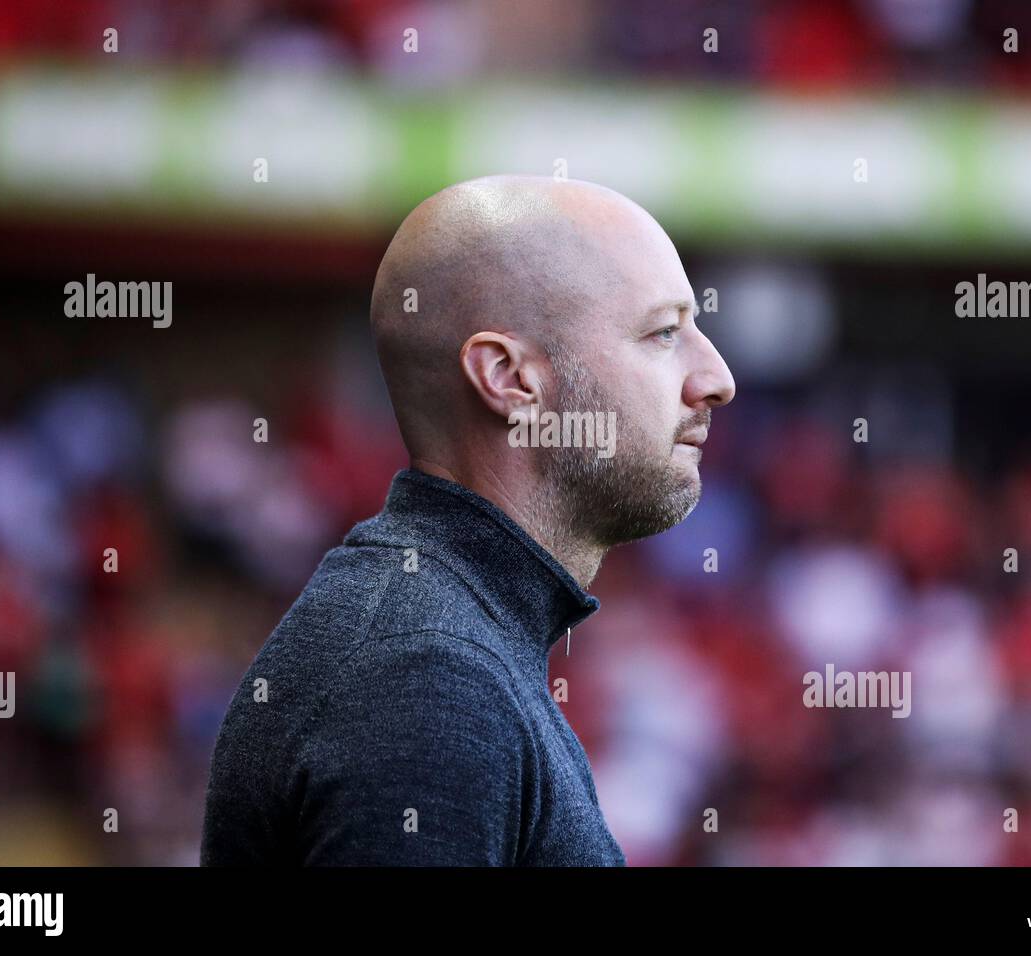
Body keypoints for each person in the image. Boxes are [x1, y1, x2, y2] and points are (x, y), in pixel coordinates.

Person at [201, 174, 736, 865]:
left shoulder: (450, 640)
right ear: (510, 380)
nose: (717, 377)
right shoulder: (425, 676)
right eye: (662, 333)